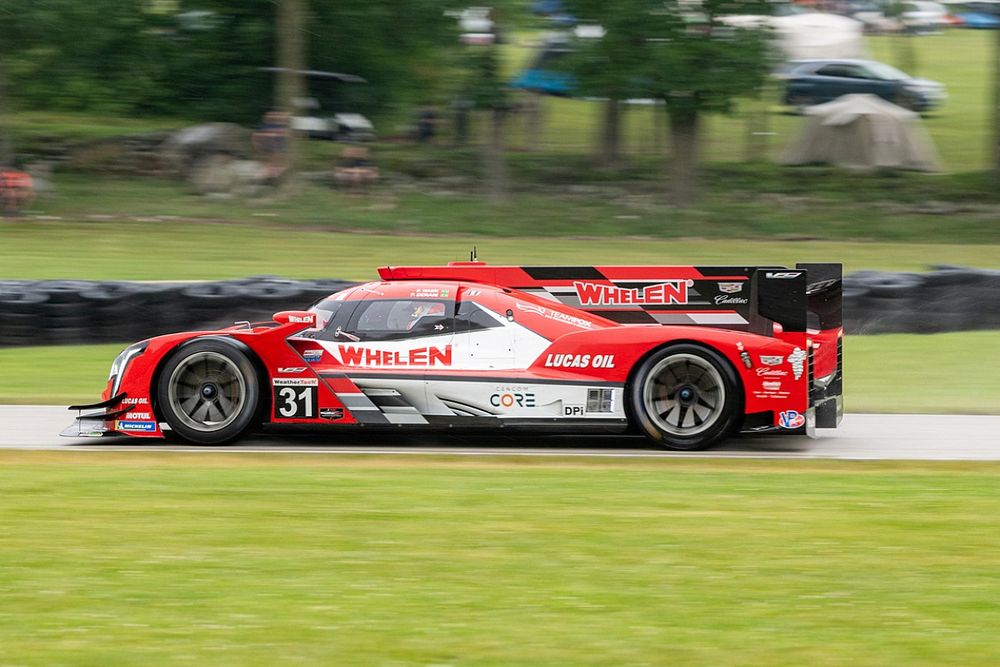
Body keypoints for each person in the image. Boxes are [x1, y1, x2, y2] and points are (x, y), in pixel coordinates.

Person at [251, 111, 291, 183]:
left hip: (277, 148)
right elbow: (256, 135)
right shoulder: (266, 126)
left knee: (277, 162)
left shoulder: (281, 126)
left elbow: (284, 135)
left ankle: (272, 175)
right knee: (272, 162)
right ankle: (269, 175)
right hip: (271, 148)